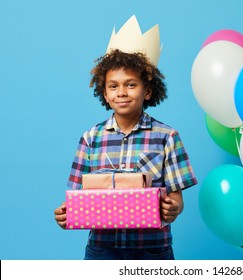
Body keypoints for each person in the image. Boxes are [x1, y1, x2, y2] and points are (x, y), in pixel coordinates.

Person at [54, 49, 197, 260]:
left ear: (147, 91)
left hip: (152, 251)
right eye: (113, 86)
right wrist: (66, 214)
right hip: (102, 250)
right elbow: (78, 197)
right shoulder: (91, 138)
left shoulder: (167, 137)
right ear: (105, 93)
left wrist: (172, 209)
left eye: (131, 85)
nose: (121, 92)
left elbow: (177, 199)